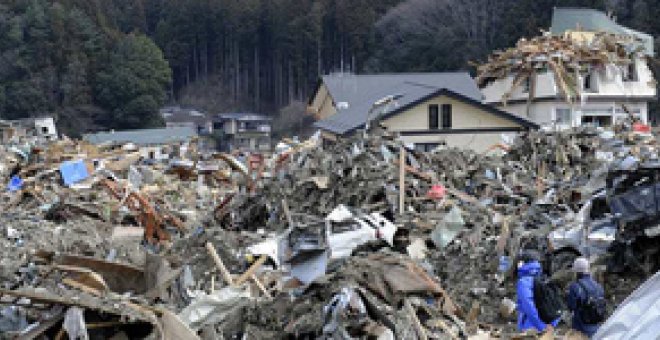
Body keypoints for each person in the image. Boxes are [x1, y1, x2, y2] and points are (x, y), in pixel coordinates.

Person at [516, 251, 560, 333]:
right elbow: (556, 302)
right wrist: (552, 324)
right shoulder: (544, 278)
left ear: (524, 262)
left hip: (530, 326)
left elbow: (528, 306)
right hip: (547, 323)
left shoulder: (524, 282)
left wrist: (541, 326)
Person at [567, 257, 605, 337]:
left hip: (581, 326)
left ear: (576, 272)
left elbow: (571, 306)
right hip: (597, 324)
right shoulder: (598, 286)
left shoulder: (575, 286)